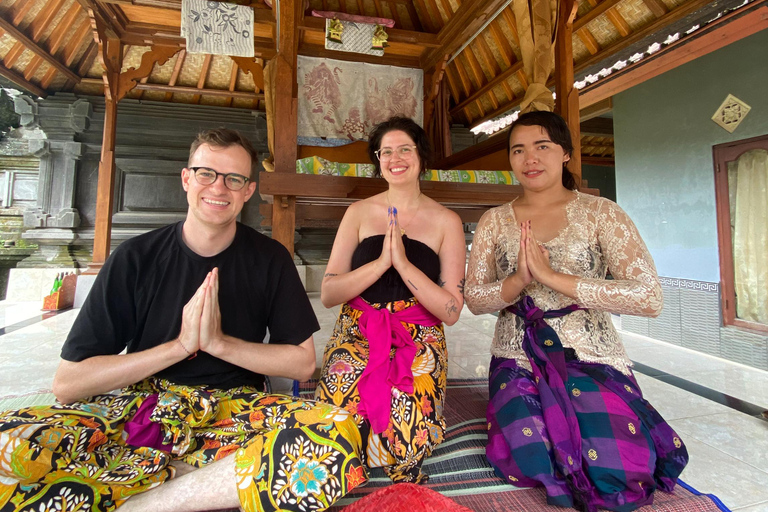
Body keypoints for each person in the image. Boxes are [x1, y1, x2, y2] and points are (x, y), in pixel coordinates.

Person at [0, 129, 365, 512]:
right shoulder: (134, 258)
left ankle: (152, 498)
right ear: (187, 178)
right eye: (207, 173)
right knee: (12, 437)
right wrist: (180, 346)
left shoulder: (270, 259)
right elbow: (68, 384)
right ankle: (209, 482)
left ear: (248, 191)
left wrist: (219, 343)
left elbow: (303, 362)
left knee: (337, 433)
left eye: (234, 179)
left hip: (233, 411)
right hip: (142, 406)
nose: (219, 188)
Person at [464, 111, 688, 511]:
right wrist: (516, 282)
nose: (530, 158)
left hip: (589, 355)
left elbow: (649, 298)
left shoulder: (602, 213)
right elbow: (477, 300)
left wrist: (552, 277)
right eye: (519, 150)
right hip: (519, 357)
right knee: (532, 459)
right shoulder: (494, 221)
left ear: (565, 153)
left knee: (619, 470)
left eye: (542, 146)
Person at [314, 116, 466, 484]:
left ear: (421, 157)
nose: (395, 158)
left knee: (408, 409)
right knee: (338, 416)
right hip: (358, 329)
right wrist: (382, 263)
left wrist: (404, 265)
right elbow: (330, 293)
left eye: (404, 149)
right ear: (378, 161)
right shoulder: (359, 213)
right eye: (386, 152)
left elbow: (451, 311)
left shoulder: (447, 221)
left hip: (419, 336)